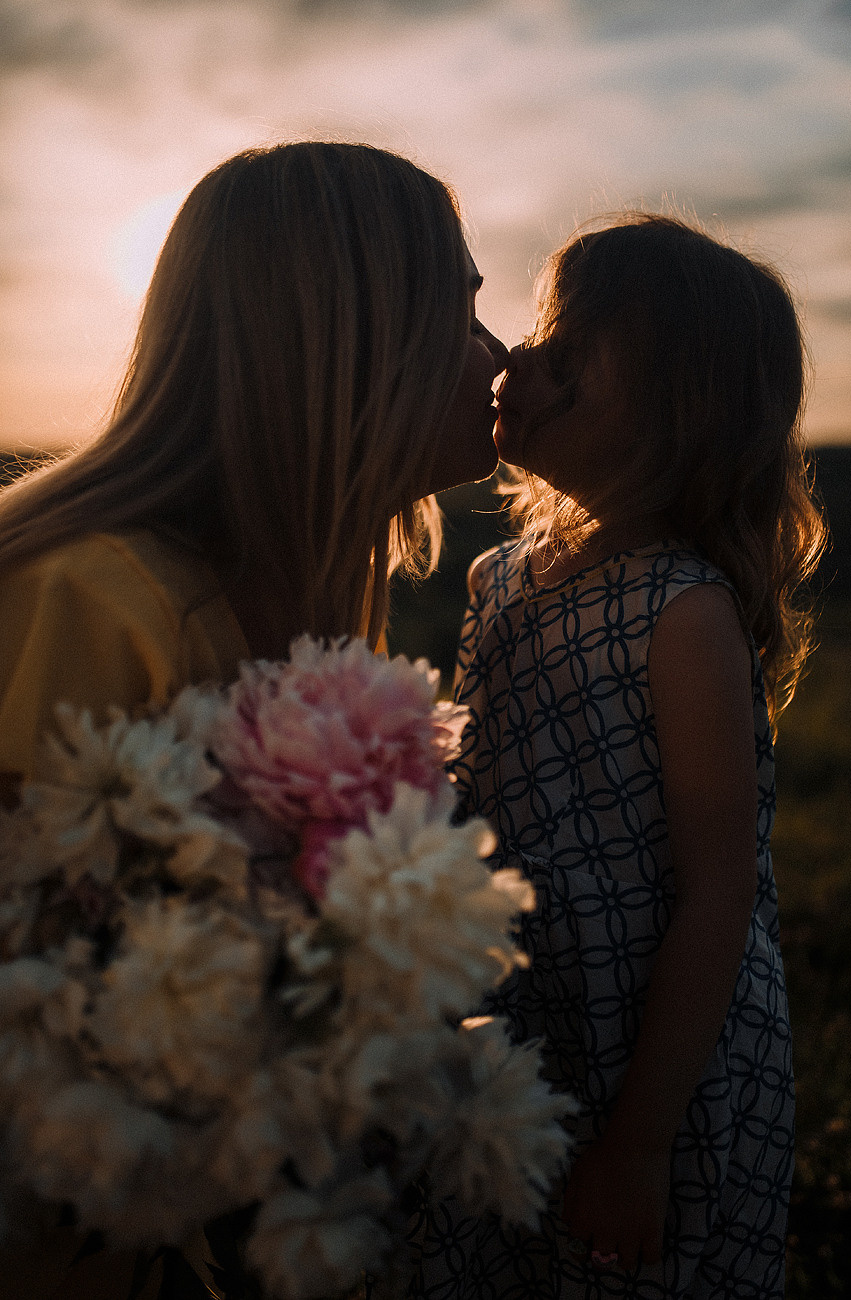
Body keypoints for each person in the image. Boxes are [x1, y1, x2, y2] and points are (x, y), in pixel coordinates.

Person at [0, 141, 507, 1300]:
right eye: (463, 310)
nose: (502, 355)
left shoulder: (308, 615)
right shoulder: (90, 599)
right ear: (351, 332)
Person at [407, 214, 827, 1298]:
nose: (514, 360)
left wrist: (643, 1139)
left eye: (567, 354)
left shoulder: (682, 611)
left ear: (672, 417)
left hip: (651, 1042)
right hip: (523, 1009)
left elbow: (718, 893)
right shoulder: (502, 573)